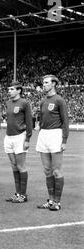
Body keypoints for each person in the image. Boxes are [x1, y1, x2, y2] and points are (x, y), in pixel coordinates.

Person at [36, 75, 69, 211]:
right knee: (47, 171)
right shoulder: (43, 101)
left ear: (54, 84)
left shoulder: (59, 100)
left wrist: (64, 140)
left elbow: (65, 121)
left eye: (46, 82)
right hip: (43, 134)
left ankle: (57, 202)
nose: (44, 85)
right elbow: (41, 118)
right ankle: (50, 201)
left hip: (55, 135)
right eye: (43, 82)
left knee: (56, 171)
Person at [4, 81, 33, 203]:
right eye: (9, 89)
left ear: (19, 90)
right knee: (14, 166)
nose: (9, 91)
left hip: (20, 136)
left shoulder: (24, 103)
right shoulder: (8, 103)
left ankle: (23, 195)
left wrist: (27, 139)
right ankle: (17, 193)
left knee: (21, 166)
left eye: (11, 89)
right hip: (8, 137)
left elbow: (29, 122)